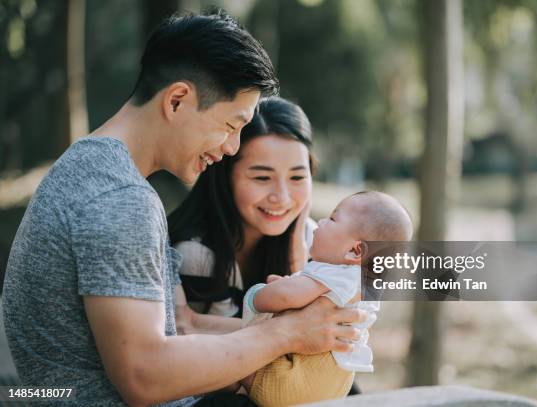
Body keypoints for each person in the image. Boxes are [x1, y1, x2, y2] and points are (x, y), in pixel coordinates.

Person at [2, 12, 364, 407]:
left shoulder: (95, 170)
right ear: (177, 100)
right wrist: (288, 333)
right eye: (231, 125)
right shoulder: (119, 199)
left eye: (297, 177)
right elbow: (144, 375)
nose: (231, 147)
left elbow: (171, 337)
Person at [238, 191, 413, 407]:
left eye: (332, 219)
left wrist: (258, 294)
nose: (320, 221)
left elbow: (284, 296)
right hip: (330, 386)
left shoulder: (339, 274)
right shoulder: (354, 280)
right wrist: (290, 283)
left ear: (355, 250)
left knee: (233, 363)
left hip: (291, 383)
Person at [168, 96, 315, 323]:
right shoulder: (196, 254)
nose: (282, 197)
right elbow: (249, 350)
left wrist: (300, 260)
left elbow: (383, 286)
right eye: (262, 177)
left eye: (297, 177)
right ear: (224, 176)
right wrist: (299, 273)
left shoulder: (312, 235)